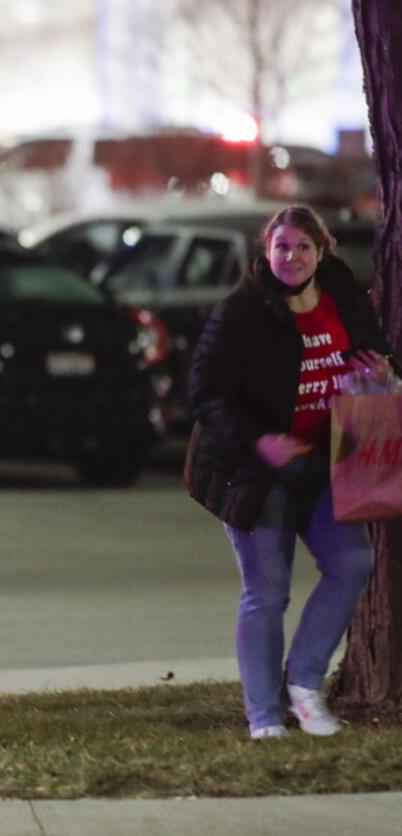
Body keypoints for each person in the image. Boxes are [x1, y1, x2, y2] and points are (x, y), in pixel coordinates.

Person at [186, 205, 390, 740]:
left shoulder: (343, 294)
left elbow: (373, 347)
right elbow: (205, 391)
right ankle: (263, 716)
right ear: (266, 251)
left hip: (326, 465)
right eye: (282, 247)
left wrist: (383, 367)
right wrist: (260, 440)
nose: (292, 257)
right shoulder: (242, 310)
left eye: (303, 247)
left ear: (321, 252)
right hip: (256, 472)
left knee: (352, 564)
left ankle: (303, 684)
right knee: (267, 592)